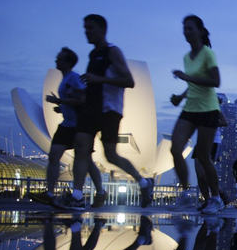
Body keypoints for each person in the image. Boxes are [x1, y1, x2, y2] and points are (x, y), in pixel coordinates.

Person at [61, 14, 153, 210]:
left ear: (102, 30)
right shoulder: (93, 55)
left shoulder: (112, 52)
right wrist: (80, 93)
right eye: (85, 28)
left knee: (111, 155)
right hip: (90, 109)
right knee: (81, 148)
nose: (87, 32)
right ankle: (77, 196)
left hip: (109, 110)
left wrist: (99, 79)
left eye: (91, 28)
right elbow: (94, 84)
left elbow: (129, 81)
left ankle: (143, 182)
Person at [31, 47, 106, 208]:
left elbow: (83, 99)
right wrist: (62, 107)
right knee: (54, 156)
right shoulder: (65, 79)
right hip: (66, 124)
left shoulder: (73, 78)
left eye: (59, 58)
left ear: (67, 62)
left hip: (79, 125)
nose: (56, 60)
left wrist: (60, 101)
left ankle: (99, 192)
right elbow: (74, 101)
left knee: (86, 160)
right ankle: (49, 193)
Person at [170, 15, 225, 215]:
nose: (186, 32)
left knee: (203, 156)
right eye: (184, 28)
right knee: (175, 148)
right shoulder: (187, 57)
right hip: (190, 108)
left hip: (208, 109)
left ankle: (216, 198)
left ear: (200, 31)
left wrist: (187, 77)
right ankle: (185, 193)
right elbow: (192, 83)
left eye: (190, 28)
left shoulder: (208, 54)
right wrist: (180, 97)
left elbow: (215, 81)